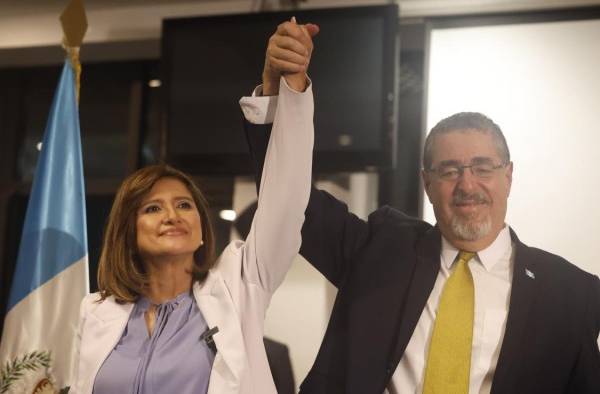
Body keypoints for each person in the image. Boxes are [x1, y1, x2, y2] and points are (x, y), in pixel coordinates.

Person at [244, 28, 600, 394]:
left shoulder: (572, 294)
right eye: (449, 170)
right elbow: (290, 202)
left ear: (508, 177)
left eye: (482, 168)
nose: (467, 184)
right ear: (427, 184)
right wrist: (278, 97)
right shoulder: (379, 248)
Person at [72, 19, 319, 394]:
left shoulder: (239, 286)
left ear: (202, 226)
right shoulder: (95, 313)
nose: (172, 215)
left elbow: (285, 196)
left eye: (184, 205)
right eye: (152, 209)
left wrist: (282, 89)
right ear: (128, 231)